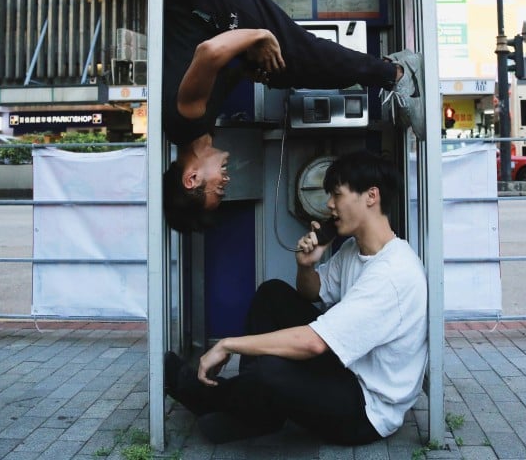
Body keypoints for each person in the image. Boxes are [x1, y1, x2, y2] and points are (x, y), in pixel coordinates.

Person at [163, 150, 428, 445]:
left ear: (371, 196)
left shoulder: (393, 273)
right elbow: (312, 292)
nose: (329, 205)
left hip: (366, 410)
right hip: (348, 370)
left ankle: (216, 398)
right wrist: (306, 265)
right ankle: (257, 411)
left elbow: (314, 343)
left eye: (337, 195)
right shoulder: (356, 249)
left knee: (271, 368)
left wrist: (228, 344)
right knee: (272, 294)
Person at [162, 0, 425, 233]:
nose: (226, 183)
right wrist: (251, 71)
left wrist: (260, 36)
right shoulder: (200, 131)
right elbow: (215, 72)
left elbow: (209, 52)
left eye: (218, 189)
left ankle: (398, 74)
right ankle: (390, 70)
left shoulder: (183, 121)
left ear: (192, 179)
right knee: (286, 69)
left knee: (294, 52)